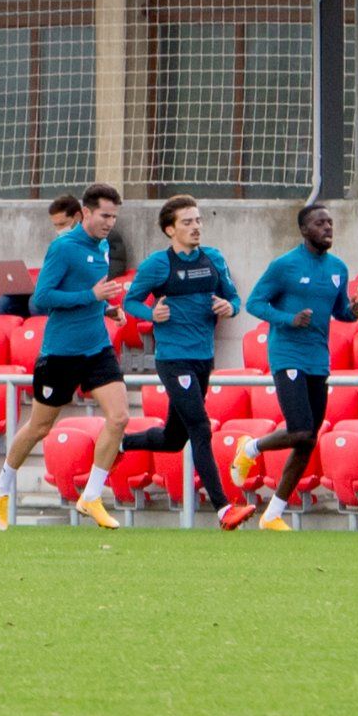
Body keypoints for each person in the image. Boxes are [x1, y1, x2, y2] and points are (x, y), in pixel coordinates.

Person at [0, 184, 130, 531]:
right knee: (39, 427)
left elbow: (88, 297)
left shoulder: (102, 247)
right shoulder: (64, 247)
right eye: (104, 215)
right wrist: (91, 294)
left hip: (96, 348)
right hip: (61, 353)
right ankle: (3, 483)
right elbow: (43, 299)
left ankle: (92, 495)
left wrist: (106, 308)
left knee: (120, 418)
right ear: (85, 212)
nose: (110, 222)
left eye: (114, 216)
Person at [231, 200, 358, 532]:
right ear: (304, 230)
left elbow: (339, 310)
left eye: (330, 222)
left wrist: (353, 312)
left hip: (318, 358)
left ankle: (272, 514)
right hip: (288, 355)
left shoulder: (338, 268)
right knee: (300, 429)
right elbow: (255, 302)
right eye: (320, 223)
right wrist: (288, 319)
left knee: (308, 440)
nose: (328, 228)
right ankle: (250, 448)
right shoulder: (284, 265)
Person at [115, 195, 240, 517]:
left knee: (173, 438)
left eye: (198, 220)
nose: (196, 227)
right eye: (187, 222)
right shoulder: (158, 264)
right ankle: (224, 507)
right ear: (170, 229)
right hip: (173, 358)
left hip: (203, 357)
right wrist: (150, 314)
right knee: (200, 427)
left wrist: (230, 308)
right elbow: (131, 302)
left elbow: (234, 298)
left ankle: (121, 443)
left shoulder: (213, 258)